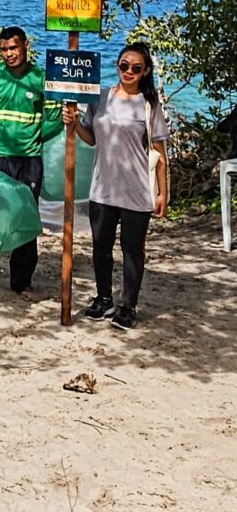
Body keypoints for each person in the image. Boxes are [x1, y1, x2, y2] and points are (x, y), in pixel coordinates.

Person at [66, 38, 170, 328]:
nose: (129, 71)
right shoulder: (100, 97)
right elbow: (91, 138)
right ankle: (103, 298)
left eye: (136, 68)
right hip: (102, 187)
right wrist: (73, 123)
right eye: (124, 65)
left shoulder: (149, 105)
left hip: (137, 190)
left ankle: (128, 306)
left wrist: (162, 194)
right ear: (117, 65)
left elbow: (160, 154)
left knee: (132, 250)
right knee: (100, 247)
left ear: (145, 71)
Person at [0, 26, 62, 296]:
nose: (9, 54)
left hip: (27, 160)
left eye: (13, 48)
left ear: (26, 46)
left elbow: (55, 120)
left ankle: (22, 282)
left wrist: (33, 138)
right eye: (4, 49)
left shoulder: (42, 78)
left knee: (25, 218)